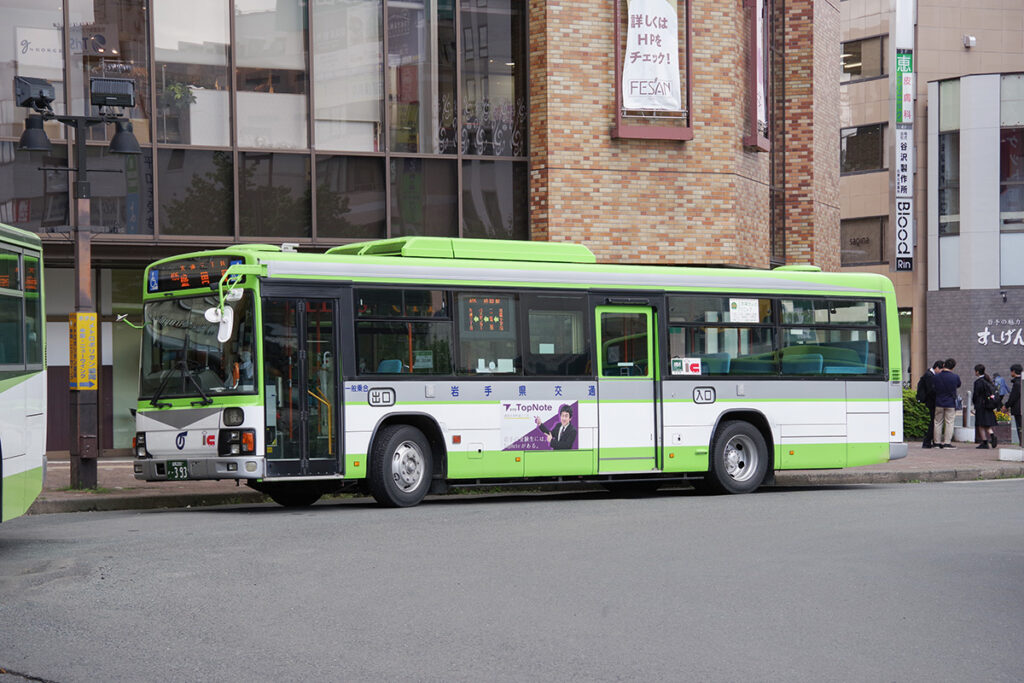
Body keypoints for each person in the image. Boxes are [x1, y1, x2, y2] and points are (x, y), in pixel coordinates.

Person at [931, 358, 961, 448]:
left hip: (939, 401)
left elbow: (933, 388)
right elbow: (958, 385)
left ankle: (937, 442)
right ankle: (947, 443)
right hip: (950, 402)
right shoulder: (955, 377)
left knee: (937, 422)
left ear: (944, 365)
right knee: (949, 422)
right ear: (953, 367)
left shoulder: (936, 376)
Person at [916, 359, 944, 448]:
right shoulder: (929, 376)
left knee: (934, 421)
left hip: (930, 401)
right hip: (931, 402)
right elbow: (931, 390)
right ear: (936, 368)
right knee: (933, 421)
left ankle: (929, 441)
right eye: (941, 370)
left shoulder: (929, 374)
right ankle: (927, 441)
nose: (941, 372)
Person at [971, 364, 999, 449]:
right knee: (986, 424)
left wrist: (974, 404)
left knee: (980, 424)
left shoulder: (978, 382)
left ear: (977, 372)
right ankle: (992, 435)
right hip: (988, 405)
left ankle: (985, 442)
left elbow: (976, 395)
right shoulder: (988, 380)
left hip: (980, 405)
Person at [1006, 364, 1022, 447]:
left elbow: (1013, 397)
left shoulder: (1017, 383)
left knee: (1020, 427)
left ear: (1013, 371)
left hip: (1018, 409)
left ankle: (1022, 443)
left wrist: (1006, 406)